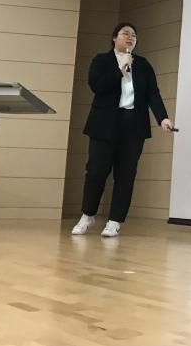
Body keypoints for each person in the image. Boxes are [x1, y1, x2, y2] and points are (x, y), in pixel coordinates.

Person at [72, 22, 174, 236]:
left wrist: (162, 118)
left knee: (126, 174)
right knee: (96, 171)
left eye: (134, 35)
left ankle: (114, 220)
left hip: (133, 125)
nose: (130, 37)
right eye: (125, 33)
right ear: (114, 38)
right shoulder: (101, 60)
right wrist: (120, 68)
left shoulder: (143, 65)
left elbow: (153, 93)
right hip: (104, 124)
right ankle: (87, 215)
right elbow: (97, 86)